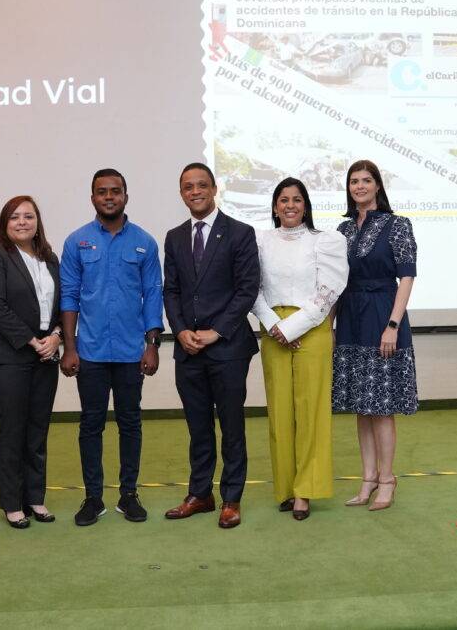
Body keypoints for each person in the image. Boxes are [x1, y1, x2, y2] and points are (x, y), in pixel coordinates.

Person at [60, 168, 163, 526]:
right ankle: (92, 498)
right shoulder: (77, 242)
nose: (109, 197)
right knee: (91, 424)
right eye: (102, 192)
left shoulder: (145, 243)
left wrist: (152, 345)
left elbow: (152, 295)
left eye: (115, 191)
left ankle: (128, 495)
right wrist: (69, 348)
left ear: (125, 196)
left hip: (130, 352)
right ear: (92, 198)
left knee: (130, 422)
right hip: (88, 352)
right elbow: (69, 296)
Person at [163, 162, 260, 529]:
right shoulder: (173, 237)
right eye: (188, 186)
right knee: (198, 426)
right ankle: (200, 494)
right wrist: (182, 330)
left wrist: (216, 331)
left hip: (228, 348)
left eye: (202, 184)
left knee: (231, 426)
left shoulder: (239, 233)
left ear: (215, 188)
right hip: (188, 349)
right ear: (182, 193)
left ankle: (231, 499)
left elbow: (247, 289)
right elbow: (171, 290)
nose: (195, 191)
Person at [252, 177, 348, 520]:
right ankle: (286, 489)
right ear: (275, 207)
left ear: (305, 205)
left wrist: (293, 327)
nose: (290, 205)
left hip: (314, 328)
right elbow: (251, 287)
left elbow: (330, 288)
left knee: (312, 413)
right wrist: (274, 326)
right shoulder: (260, 241)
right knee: (279, 413)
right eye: (283, 200)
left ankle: (305, 491)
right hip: (272, 330)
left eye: (296, 199)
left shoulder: (325, 241)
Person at [332, 160, 418, 511]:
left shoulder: (398, 225)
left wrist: (393, 325)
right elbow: (336, 283)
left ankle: (387, 479)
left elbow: (407, 277)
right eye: (354, 181)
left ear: (378, 186)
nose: (360, 186)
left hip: (383, 316)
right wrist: (330, 325)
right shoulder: (342, 229)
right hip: (350, 318)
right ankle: (367, 478)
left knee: (381, 408)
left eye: (366, 180)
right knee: (361, 408)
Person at [0, 195, 61, 529]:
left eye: (28, 216)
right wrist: (30, 339)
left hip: (46, 353)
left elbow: (63, 302)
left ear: (38, 221)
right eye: (15, 217)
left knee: (38, 429)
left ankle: (35, 498)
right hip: (9, 354)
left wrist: (56, 336)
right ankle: (12, 503)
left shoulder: (49, 258)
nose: (22, 222)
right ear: (4, 223)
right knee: (13, 429)